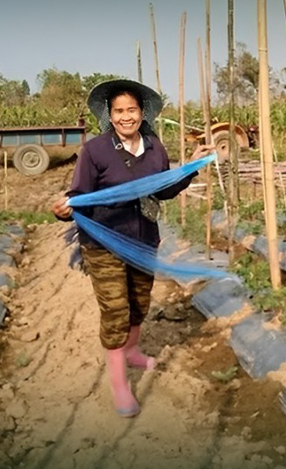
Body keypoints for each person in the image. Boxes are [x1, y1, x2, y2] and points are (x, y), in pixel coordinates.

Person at [52, 79, 212, 417]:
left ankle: (134, 351)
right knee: (116, 312)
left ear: (142, 112)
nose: (126, 117)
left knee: (140, 302)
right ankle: (120, 385)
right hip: (104, 242)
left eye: (132, 110)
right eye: (119, 111)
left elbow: (164, 190)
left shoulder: (154, 147)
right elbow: (79, 194)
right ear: (109, 115)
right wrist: (64, 208)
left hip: (143, 239)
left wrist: (190, 168)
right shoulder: (95, 150)